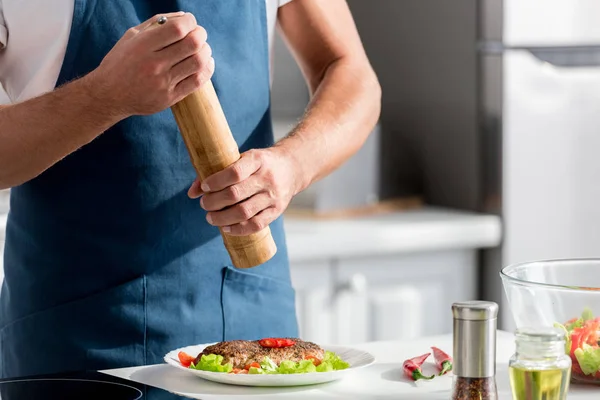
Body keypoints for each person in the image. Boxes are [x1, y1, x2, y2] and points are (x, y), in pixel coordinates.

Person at [0, 0, 381, 379]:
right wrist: (103, 96)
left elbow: (351, 73)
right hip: (76, 343)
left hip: (255, 333)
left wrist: (294, 164)